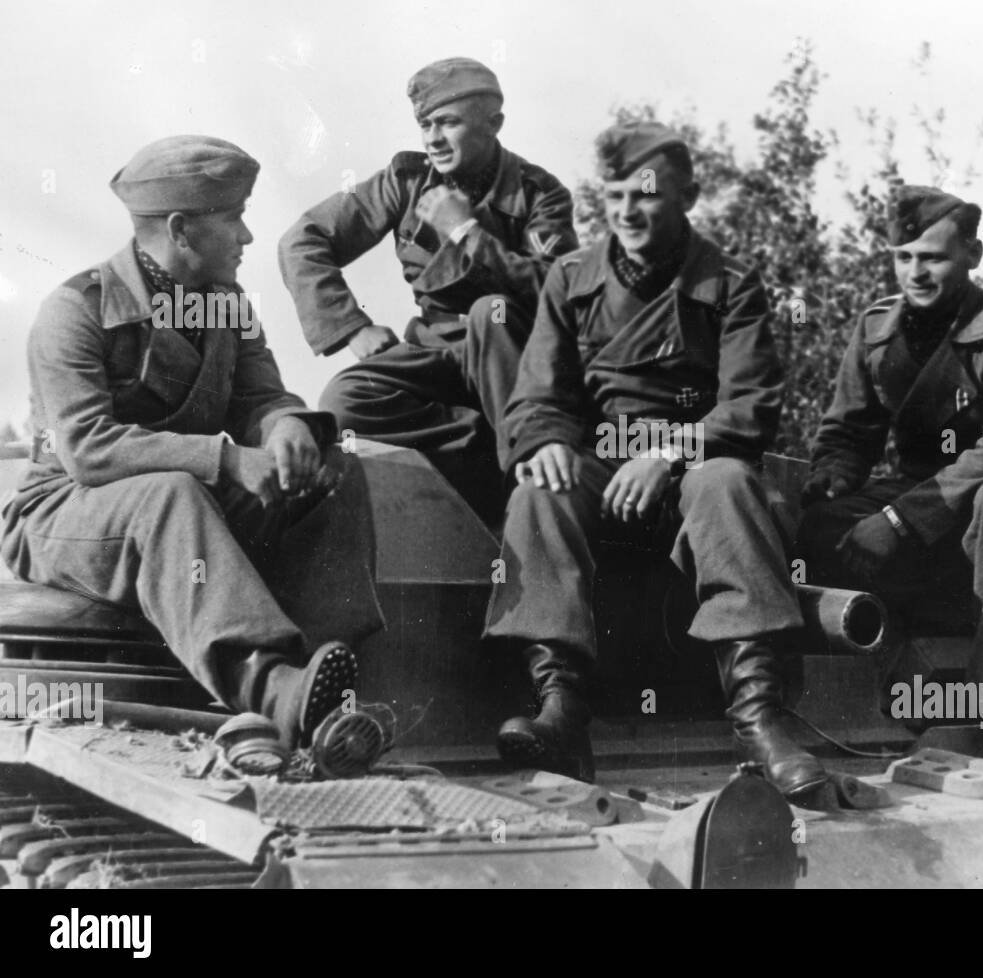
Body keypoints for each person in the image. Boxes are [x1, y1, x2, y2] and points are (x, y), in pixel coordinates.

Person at [482, 122, 828, 798]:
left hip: (696, 463)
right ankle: (561, 709)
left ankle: (759, 719)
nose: (627, 212)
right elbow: (538, 394)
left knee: (728, 483)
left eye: (645, 195)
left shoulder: (730, 284)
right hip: (601, 466)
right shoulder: (571, 278)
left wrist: (668, 452)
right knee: (538, 493)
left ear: (687, 197)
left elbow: (749, 405)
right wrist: (547, 441)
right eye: (614, 196)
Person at [0, 135, 384, 747]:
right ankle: (270, 686)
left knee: (332, 471)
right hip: (62, 513)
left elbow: (260, 397)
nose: (247, 237)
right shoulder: (76, 309)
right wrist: (226, 459)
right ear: (180, 230)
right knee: (172, 493)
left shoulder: (225, 306)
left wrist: (285, 426)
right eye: (234, 218)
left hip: (182, 510)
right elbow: (89, 447)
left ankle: (326, 681)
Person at [796, 186, 983, 765]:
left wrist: (898, 521)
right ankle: (902, 662)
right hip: (922, 496)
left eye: (932, 258)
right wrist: (834, 475)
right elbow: (849, 431)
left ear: (972, 254)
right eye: (903, 257)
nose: (915, 273)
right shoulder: (878, 327)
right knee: (817, 524)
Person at [278, 56, 578, 512]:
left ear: (494, 123)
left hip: (514, 351)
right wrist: (352, 327)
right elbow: (303, 239)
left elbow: (556, 290)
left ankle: (531, 477)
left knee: (491, 311)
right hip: (437, 348)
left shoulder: (540, 192)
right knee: (346, 405)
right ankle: (490, 447)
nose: (433, 138)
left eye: (449, 123)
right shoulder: (406, 182)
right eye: (426, 124)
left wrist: (465, 233)